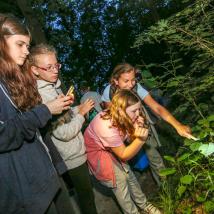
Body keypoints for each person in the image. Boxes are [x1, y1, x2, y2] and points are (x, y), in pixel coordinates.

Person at [0, 13, 74, 213]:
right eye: (20, 44)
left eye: (27, 45)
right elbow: (4, 135)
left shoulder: (14, 79)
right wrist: (47, 110)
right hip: (23, 195)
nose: (26, 51)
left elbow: (31, 125)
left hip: (43, 181)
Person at [28, 43, 98, 214]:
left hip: (77, 149)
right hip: (71, 157)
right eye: (49, 67)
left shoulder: (53, 86)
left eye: (56, 65)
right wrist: (81, 114)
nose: (55, 71)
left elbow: (66, 116)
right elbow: (64, 133)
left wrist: (78, 108)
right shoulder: (42, 96)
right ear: (35, 70)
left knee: (88, 196)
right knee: (87, 200)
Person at [101, 63, 193, 184]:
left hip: (139, 124)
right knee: (127, 165)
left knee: (154, 155)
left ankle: (166, 187)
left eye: (133, 80)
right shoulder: (109, 92)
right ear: (116, 81)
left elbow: (156, 107)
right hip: (121, 130)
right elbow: (113, 118)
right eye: (126, 81)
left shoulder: (137, 87)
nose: (130, 84)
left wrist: (177, 125)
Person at [84, 89, 162, 214]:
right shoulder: (105, 126)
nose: (138, 113)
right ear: (121, 110)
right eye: (134, 111)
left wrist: (136, 130)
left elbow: (128, 139)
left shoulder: (125, 115)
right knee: (120, 183)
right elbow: (124, 155)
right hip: (100, 155)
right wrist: (140, 139)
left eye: (139, 109)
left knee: (129, 175)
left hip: (113, 148)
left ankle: (145, 205)